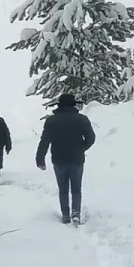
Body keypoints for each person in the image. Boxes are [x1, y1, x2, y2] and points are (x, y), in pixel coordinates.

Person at [35, 93, 96, 223]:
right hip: (77, 159)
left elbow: (44, 140)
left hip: (58, 159)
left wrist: (40, 158)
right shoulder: (82, 119)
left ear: (59, 105)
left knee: (63, 189)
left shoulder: (51, 120)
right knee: (76, 189)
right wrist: (81, 148)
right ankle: (76, 213)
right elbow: (91, 138)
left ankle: (65, 214)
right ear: (73, 104)